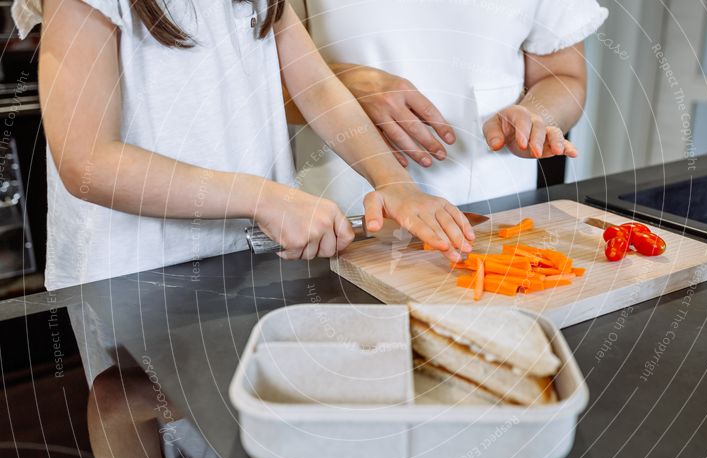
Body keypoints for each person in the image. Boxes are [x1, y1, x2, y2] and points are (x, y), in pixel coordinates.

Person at [12, 0, 476, 291]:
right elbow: (87, 162)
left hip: (248, 261)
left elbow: (314, 84)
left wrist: (394, 182)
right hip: (130, 278)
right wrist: (261, 198)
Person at [287, 0, 608, 215]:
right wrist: (344, 83)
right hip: (342, 211)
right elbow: (261, 88)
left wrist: (536, 115)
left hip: (493, 213)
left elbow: (564, 76)